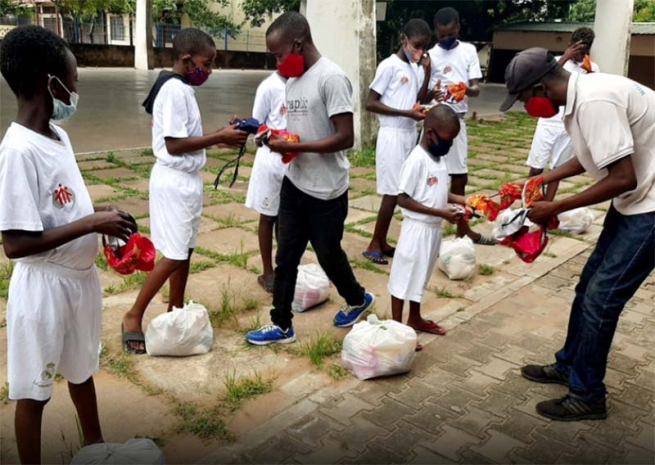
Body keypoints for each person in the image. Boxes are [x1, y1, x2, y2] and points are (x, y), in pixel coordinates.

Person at [0, 26, 138, 463]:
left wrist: (101, 220)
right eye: (73, 81)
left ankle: (96, 451)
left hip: (80, 282)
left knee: (82, 370)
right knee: (34, 392)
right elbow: (16, 243)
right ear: (49, 82)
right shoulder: (18, 152)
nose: (76, 90)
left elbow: (67, 205)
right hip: (44, 290)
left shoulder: (59, 138)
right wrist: (92, 222)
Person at [501, 47, 655, 421]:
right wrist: (540, 179)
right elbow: (589, 155)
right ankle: (569, 365)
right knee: (587, 287)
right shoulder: (580, 96)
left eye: (524, 99)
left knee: (602, 299)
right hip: (636, 199)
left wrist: (555, 207)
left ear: (540, 87)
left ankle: (588, 395)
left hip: (650, 205)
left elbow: (622, 177)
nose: (525, 108)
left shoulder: (593, 101)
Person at [245, 12, 375, 345]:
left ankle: (358, 298)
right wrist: (271, 137)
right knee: (285, 255)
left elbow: (346, 137)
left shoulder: (330, 78)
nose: (277, 63)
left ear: (299, 44)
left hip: (327, 190)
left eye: (279, 55)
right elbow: (298, 132)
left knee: (328, 254)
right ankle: (281, 324)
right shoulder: (292, 80)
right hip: (296, 182)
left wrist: (298, 144)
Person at [122, 28, 248, 353]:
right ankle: (133, 315)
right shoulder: (175, 90)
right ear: (186, 59)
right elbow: (175, 144)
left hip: (187, 182)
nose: (210, 70)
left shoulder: (181, 89)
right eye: (207, 63)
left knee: (185, 251)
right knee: (175, 254)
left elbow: (185, 136)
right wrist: (219, 138)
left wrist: (222, 132)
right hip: (174, 180)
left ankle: (175, 310)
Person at [388, 105, 464, 341]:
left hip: (433, 230)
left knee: (421, 274)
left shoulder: (439, 158)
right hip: (416, 230)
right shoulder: (416, 160)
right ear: (430, 133)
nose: (449, 145)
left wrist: (462, 200)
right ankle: (396, 328)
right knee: (404, 276)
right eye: (447, 140)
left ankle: (415, 318)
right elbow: (402, 198)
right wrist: (440, 212)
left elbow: (438, 189)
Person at [362, 18, 433, 265]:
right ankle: (373, 245)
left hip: (408, 134)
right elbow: (370, 103)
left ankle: (381, 241)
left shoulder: (414, 68)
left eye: (424, 47)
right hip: (392, 134)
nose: (420, 51)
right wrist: (406, 113)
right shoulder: (389, 66)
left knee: (400, 188)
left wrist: (428, 73)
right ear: (404, 40)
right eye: (416, 45)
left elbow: (416, 98)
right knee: (392, 193)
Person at [425, 7, 495, 245]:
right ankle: (426, 225)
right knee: (428, 174)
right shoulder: (431, 55)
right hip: (434, 119)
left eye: (450, 34)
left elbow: (476, 87)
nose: (446, 39)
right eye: (442, 36)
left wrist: (464, 89)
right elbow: (423, 92)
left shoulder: (468, 51)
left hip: (458, 120)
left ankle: (462, 229)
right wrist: (431, 93)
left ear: (457, 28)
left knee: (459, 177)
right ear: (436, 32)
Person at [526, 27, 600, 201]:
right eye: (576, 50)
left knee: (558, 169)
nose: (579, 55)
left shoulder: (593, 68)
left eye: (583, 51)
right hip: (548, 122)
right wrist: (566, 56)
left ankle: (548, 205)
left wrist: (589, 75)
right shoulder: (556, 61)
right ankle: (528, 201)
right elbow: (542, 80)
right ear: (569, 45)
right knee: (536, 166)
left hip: (570, 124)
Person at [245, 70, 288, 293]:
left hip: (293, 159)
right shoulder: (268, 87)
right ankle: (267, 271)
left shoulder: (301, 82)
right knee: (268, 215)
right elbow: (257, 126)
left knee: (286, 217)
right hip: (270, 161)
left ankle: (284, 266)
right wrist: (273, 139)